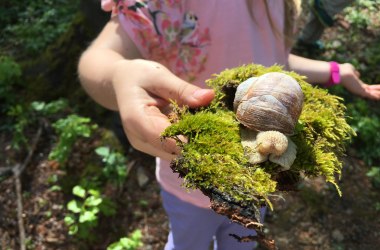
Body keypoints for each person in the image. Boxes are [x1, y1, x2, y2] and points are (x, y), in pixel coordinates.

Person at [78, 1, 380, 249]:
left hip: (254, 188)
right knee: (186, 243)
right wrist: (119, 74)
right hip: (188, 186)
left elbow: (276, 61)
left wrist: (337, 72)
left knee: (242, 242)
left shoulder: (278, 5)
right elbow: (98, 58)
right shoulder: (162, 5)